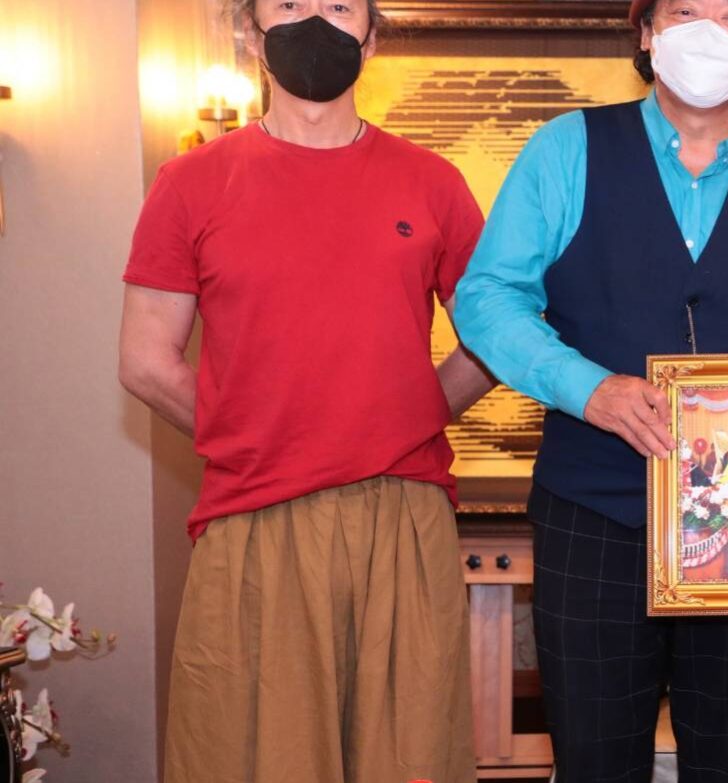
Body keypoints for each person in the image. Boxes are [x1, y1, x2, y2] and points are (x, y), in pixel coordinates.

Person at [449, 0, 728, 779]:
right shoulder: (566, 149)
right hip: (592, 513)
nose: (705, 30)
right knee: (594, 763)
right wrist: (588, 388)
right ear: (646, 31)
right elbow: (487, 299)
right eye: (684, 10)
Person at [118, 1, 494, 781]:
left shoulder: (433, 182)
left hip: (402, 514)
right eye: (289, 3)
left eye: (339, 5)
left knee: (410, 756)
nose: (314, 20)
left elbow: (494, 341)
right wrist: (254, 437)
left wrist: (407, 416)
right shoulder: (189, 184)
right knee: (252, 757)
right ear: (250, 33)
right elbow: (146, 360)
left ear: (372, 35)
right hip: (254, 519)